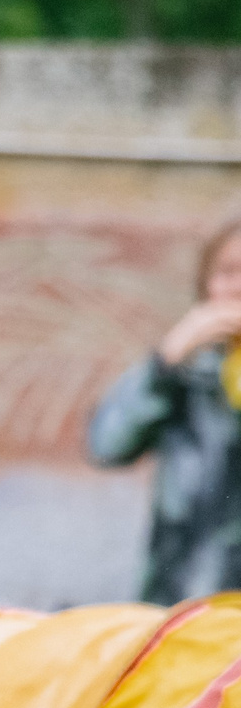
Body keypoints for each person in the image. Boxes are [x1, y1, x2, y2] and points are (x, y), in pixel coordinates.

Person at [88, 221, 241, 603]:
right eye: (227, 272)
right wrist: (166, 359)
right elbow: (106, 445)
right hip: (186, 603)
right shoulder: (184, 373)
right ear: (205, 285)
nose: (238, 286)